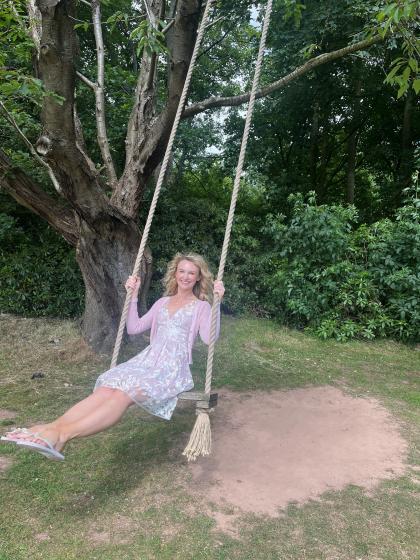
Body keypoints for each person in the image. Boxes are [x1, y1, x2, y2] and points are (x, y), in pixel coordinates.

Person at [1, 253, 225, 461]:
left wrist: (218, 302)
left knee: (122, 396)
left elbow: (209, 338)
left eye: (191, 273)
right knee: (107, 388)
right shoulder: (162, 303)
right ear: (175, 273)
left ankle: (63, 436)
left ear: (198, 278)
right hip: (147, 361)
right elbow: (134, 327)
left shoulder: (201, 307)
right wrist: (134, 296)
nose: (185, 276)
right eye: (182, 271)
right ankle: (51, 429)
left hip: (170, 369)